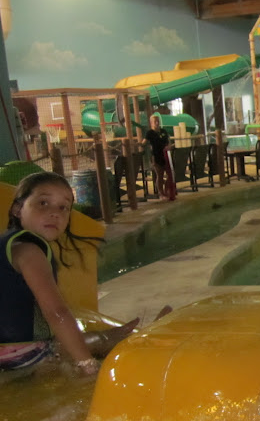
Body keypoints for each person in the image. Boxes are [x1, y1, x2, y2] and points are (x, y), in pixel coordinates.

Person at [1, 172, 140, 376]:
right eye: (43, 203)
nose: (55, 213)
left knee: (68, 340)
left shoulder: (7, 243)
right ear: (17, 209)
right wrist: (87, 365)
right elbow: (57, 312)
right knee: (70, 348)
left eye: (63, 207)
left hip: (12, 349)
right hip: (17, 356)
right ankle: (119, 340)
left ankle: (112, 338)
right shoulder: (30, 251)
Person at [141, 114, 172, 200]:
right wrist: (138, 145)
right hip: (155, 156)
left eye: (158, 121)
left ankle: (167, 190)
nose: (157, 123)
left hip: (165, 155)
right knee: (160, 175)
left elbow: (168, 141)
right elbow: (143, 143)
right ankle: (161, 193)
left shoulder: (163, 131)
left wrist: (169, 146)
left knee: (171, 174)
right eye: (155, 122)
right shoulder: (150, 133)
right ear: (151, 123)